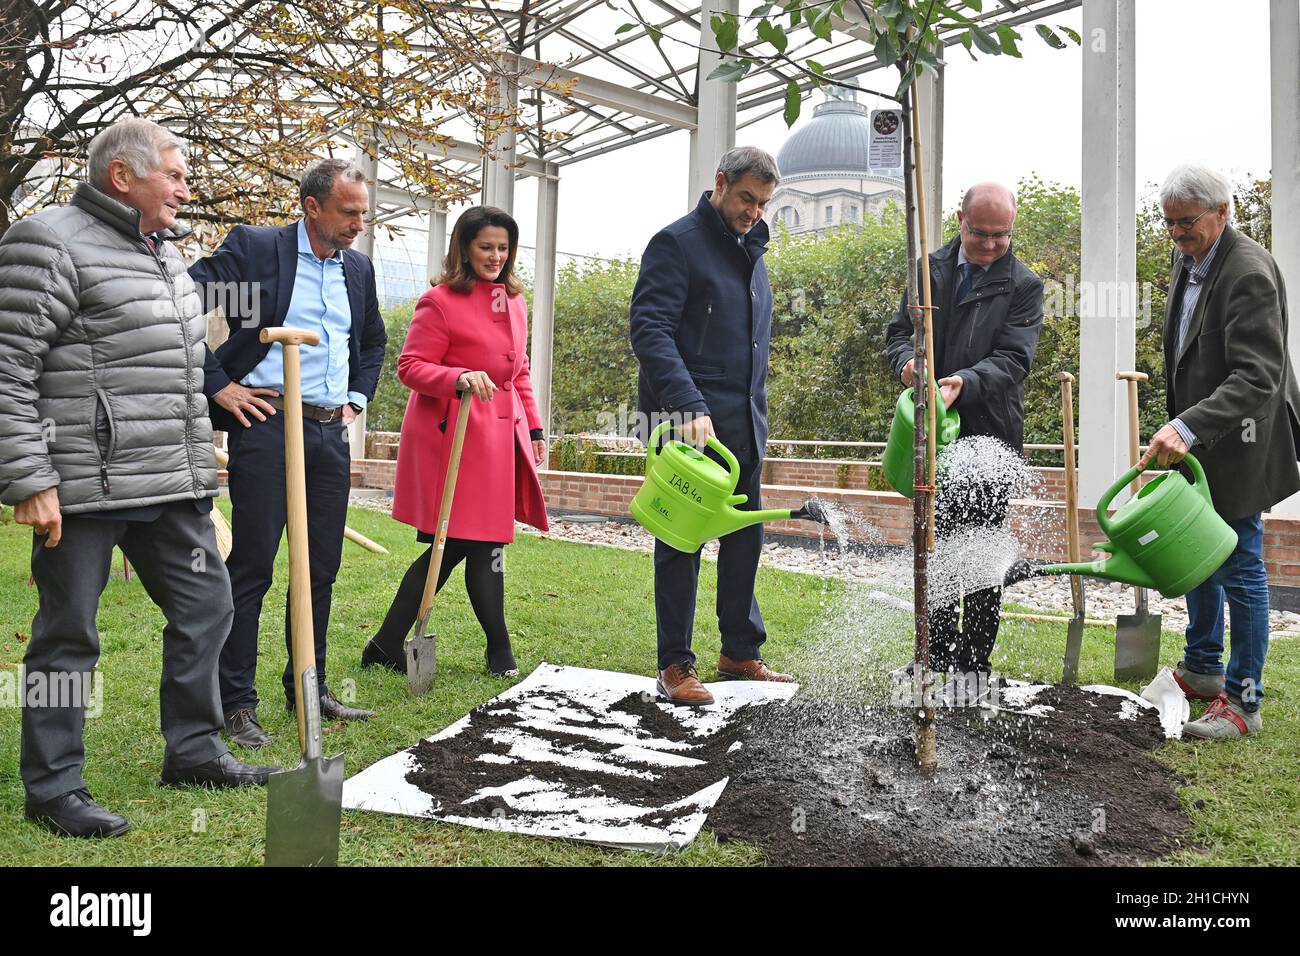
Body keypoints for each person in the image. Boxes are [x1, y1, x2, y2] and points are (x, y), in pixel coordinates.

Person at [0, 118, 280, 838]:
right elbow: (8, 367)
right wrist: (30, 477)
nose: (187, 190)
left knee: (208, 607)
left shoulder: (162, 253)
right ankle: (54, 785)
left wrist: (198, 471)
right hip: (84, 485)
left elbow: (180, 373)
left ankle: (193, 750)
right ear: (123, 176)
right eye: (176, 175)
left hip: (168, 482)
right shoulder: (49, 240)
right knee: (69, 636)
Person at [190, 158, 387, 748]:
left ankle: (310, 683)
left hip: (329, 433)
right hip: (269, 423)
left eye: (363, 213)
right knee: (252, 565)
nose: (358, 223)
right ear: (312, 207)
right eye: (348, 212)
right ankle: (235, 702)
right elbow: (177, 301)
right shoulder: (257, 250)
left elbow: (372, 340)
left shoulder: (357, 268)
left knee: (320, 566)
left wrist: (355, 398)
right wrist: (217, 381)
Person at [1138, 164, 1300, 741]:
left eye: (1188, 223)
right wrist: (1184, 430)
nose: (1178, 234)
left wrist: (1187, 426)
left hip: (1240, 445)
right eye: (1171, 224)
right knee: (1196, 553)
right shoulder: (1192, 262)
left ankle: (1243, 702)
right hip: (1200, 442)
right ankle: (1203, 669)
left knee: (1241, 566)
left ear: (1222, 212)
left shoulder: (1248, 272)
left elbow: (1259, 376)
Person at [629, 146, 794, 707]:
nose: (755, 211)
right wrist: (686, 404)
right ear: (720, 183)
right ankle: (675, 664)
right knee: (682, 540)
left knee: (745, 532)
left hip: (744, 420)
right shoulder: (677, 243)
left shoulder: (752, 249)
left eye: (764, 203)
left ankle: (739, 650)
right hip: (686, 419)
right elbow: (650, 329)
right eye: (747, 198)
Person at [361, 206, 547, 677]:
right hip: (455, 437)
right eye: (486, 246)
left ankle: (385, 645)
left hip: (501, 437)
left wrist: (536, 429)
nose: (495, 256)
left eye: (503, 248)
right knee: (471, 541)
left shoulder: (516, 300)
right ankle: (498, 650)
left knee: (473, 542)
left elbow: (518, 371)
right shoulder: (439, 301)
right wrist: (460, 376)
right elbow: (411, 366)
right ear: (464, 247)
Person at [885, 182, 1044, 689]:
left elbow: (1015, 359)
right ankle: (930, 659)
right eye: (982, 233)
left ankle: (974, 667)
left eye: (1003, 235)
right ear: (960, 220)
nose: (994, 244)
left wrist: (963, 383)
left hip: (989, 437)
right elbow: (895, 335)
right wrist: (909, 365)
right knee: (932, 545)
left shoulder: (1024, 285)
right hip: (932, 435)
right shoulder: (927, 271)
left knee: (979, 554)